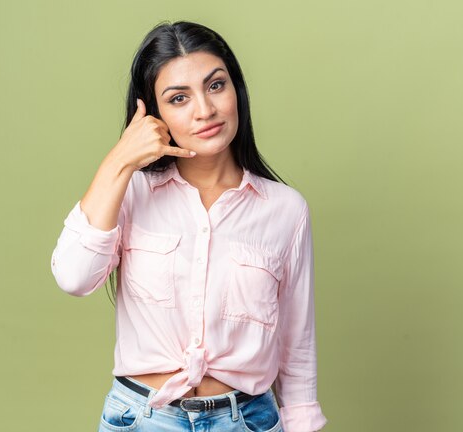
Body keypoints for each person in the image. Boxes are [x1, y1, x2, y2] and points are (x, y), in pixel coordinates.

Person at [50, 20, 328, 432]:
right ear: (154, 114)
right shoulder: (130, 193)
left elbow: (296, 345)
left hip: (247, 421)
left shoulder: (285, 210)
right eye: (179, 98)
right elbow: (73, 277)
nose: (205, 110)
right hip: (142, 420)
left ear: (236, 91)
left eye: (215, 86)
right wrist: (121, 160)